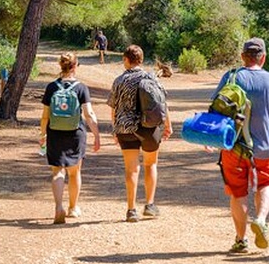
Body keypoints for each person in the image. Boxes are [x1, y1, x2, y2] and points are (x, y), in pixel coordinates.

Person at [215, 37, 269, 254]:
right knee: (266, 183)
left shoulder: (231, 77)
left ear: (243, 57)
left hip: (233, 147)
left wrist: (213, 139)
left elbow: (217, 109)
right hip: (263, 148)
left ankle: (241, 240)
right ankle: (261, 219)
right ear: (263, 58)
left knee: (238, 192)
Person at [108, 45, 172, 222]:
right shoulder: (151, 78)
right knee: (150, 164)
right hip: (149, 128)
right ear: (141, 60)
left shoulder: (119, 81)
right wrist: (168, 124)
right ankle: (150, 205)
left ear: (126, 59)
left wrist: (115, 129)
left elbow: (114, 108)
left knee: (131, 169)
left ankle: (131, 210)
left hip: (125, 128)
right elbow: (162, 103)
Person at [40, 52, 101, 224]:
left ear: (61, 66)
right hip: (76, 133)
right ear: (74, 67)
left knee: (57, 171)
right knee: (74, 172)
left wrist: (42, 134)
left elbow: (45, 116)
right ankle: (73, 208)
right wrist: (96, 135)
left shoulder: (51, 87)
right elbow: (89, 114)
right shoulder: (81, 88)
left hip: (55, 132)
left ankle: (58, 207)